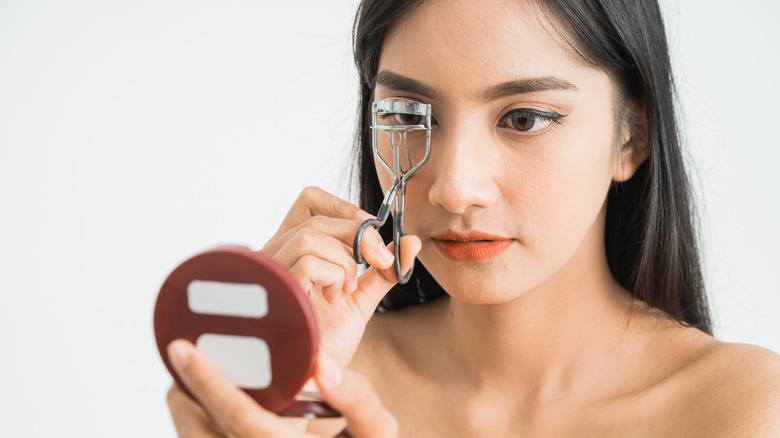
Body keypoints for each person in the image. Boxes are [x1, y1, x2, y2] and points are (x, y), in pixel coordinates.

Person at [165, 0, 780, 436]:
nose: (455, 189)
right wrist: (282, 385)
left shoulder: (742, 412)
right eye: (407, 116)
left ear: (631, 136)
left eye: (524, 119)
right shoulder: (313, 389)